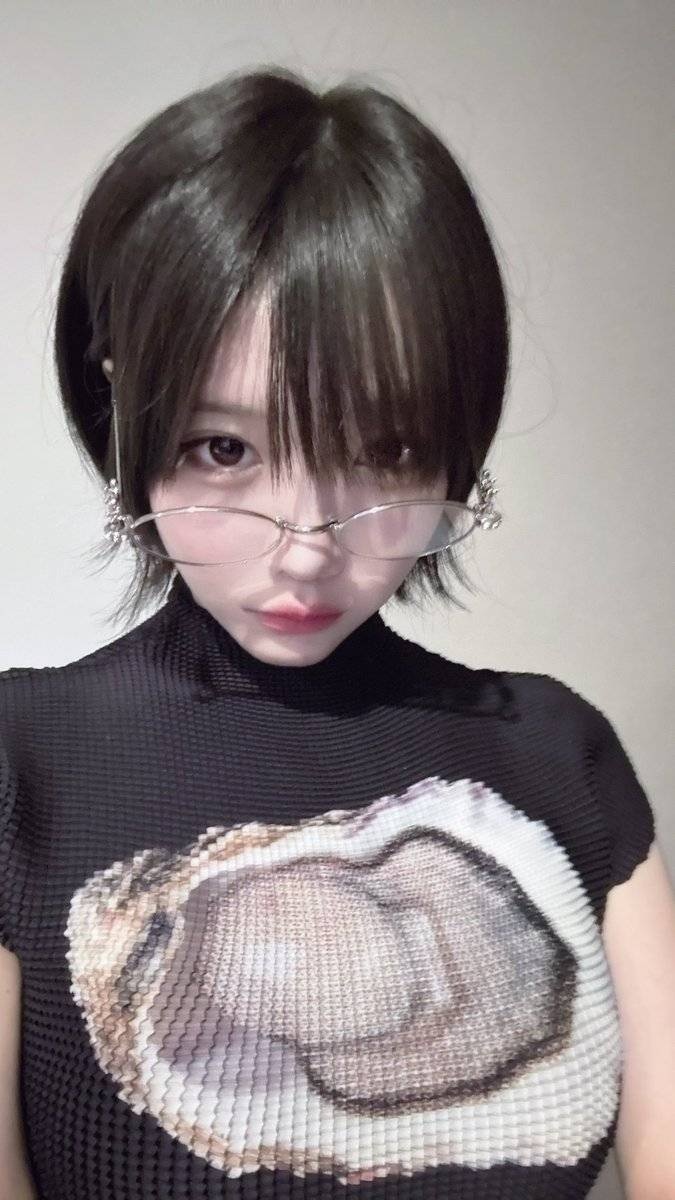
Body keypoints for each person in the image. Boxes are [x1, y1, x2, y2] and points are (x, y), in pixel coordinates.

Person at [1, 65, 673, 1200]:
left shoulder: (560, 756)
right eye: (224, 449)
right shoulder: (25, 764)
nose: (307, 547)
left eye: (386, 451)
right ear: (126, 415)